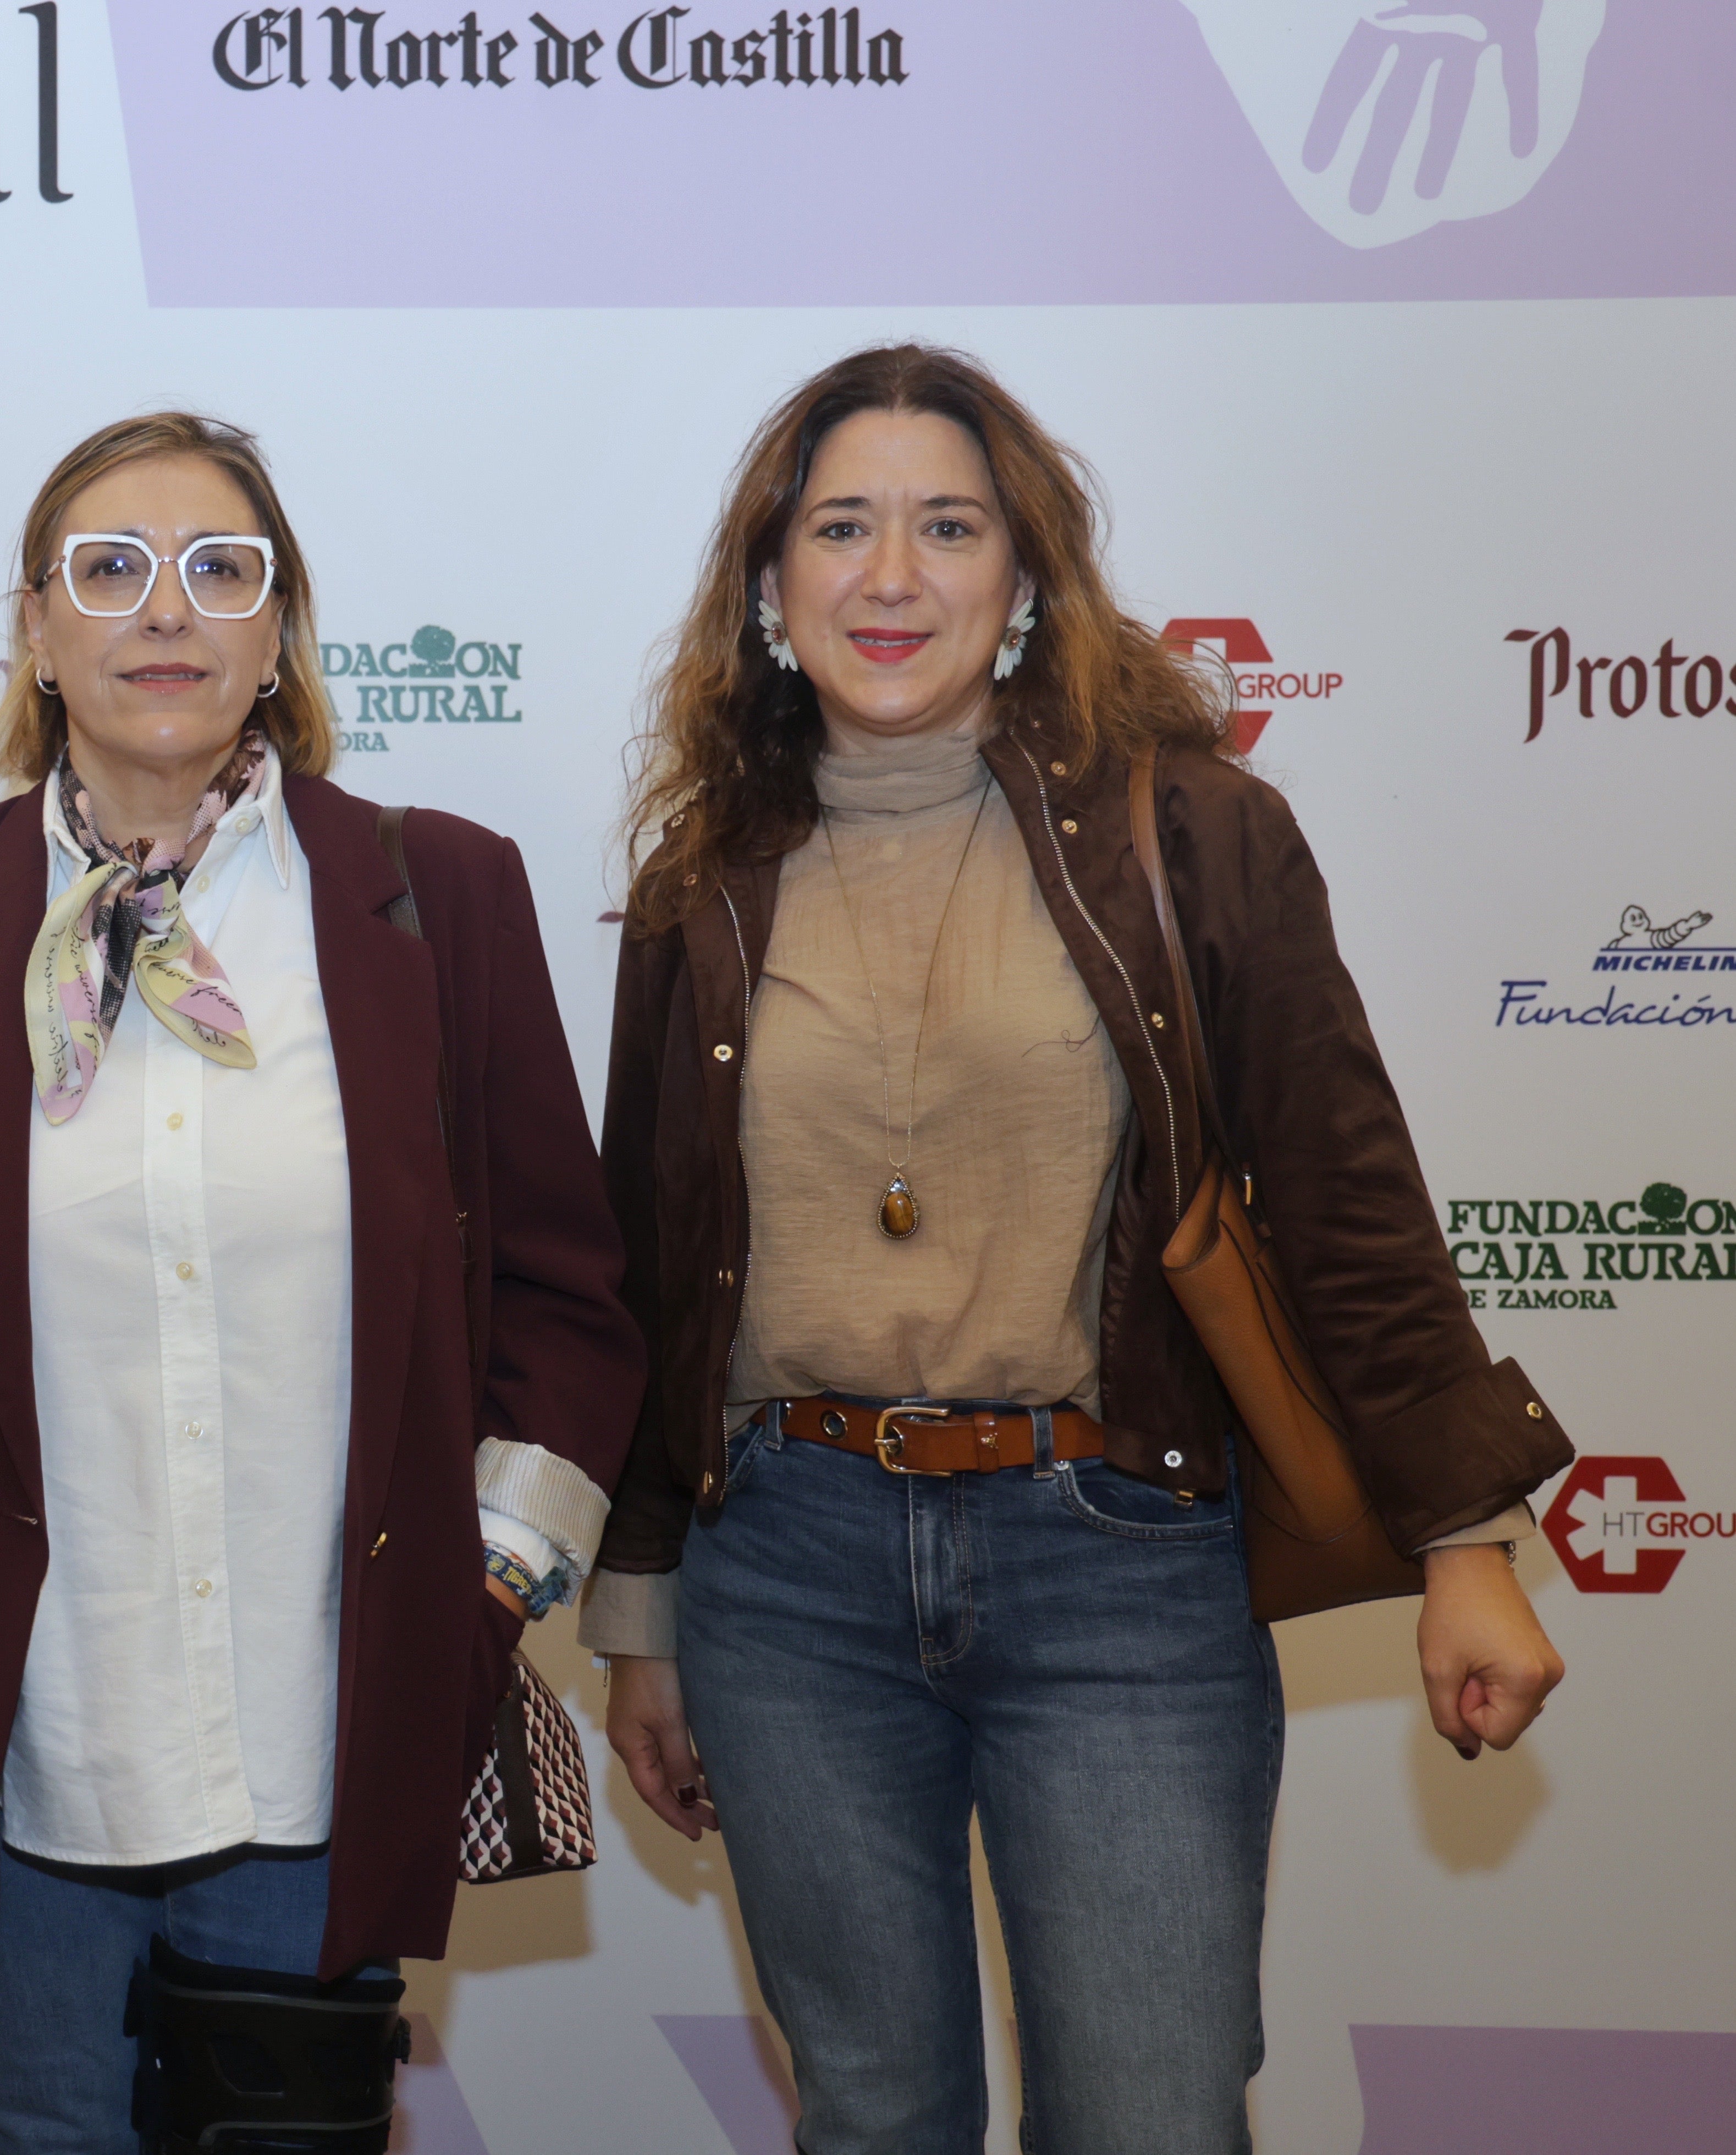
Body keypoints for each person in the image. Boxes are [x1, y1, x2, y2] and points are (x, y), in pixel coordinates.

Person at [582, 343, 1573, 2154]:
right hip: (784, 1577)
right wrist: (642, 1614)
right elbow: (657, 1262)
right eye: (843, 529)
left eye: (949, 527)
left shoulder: (1198, 829)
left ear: (1026, 579)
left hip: (1120, 1562)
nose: (893, 577)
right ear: (771, 584)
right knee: (874, 2117)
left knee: (1150, 2116)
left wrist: (1466, 1540)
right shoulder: (702, 875)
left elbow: (1351, 1197)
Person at [0, 413, 641, 2154]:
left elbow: (564, 1294)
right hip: (26, 1743)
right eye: (112, 571)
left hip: (326, 1735)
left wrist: (498, 1580)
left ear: (282, 631)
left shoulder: (433, 895)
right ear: (34, 631)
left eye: (221, 571)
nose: (168, 613)